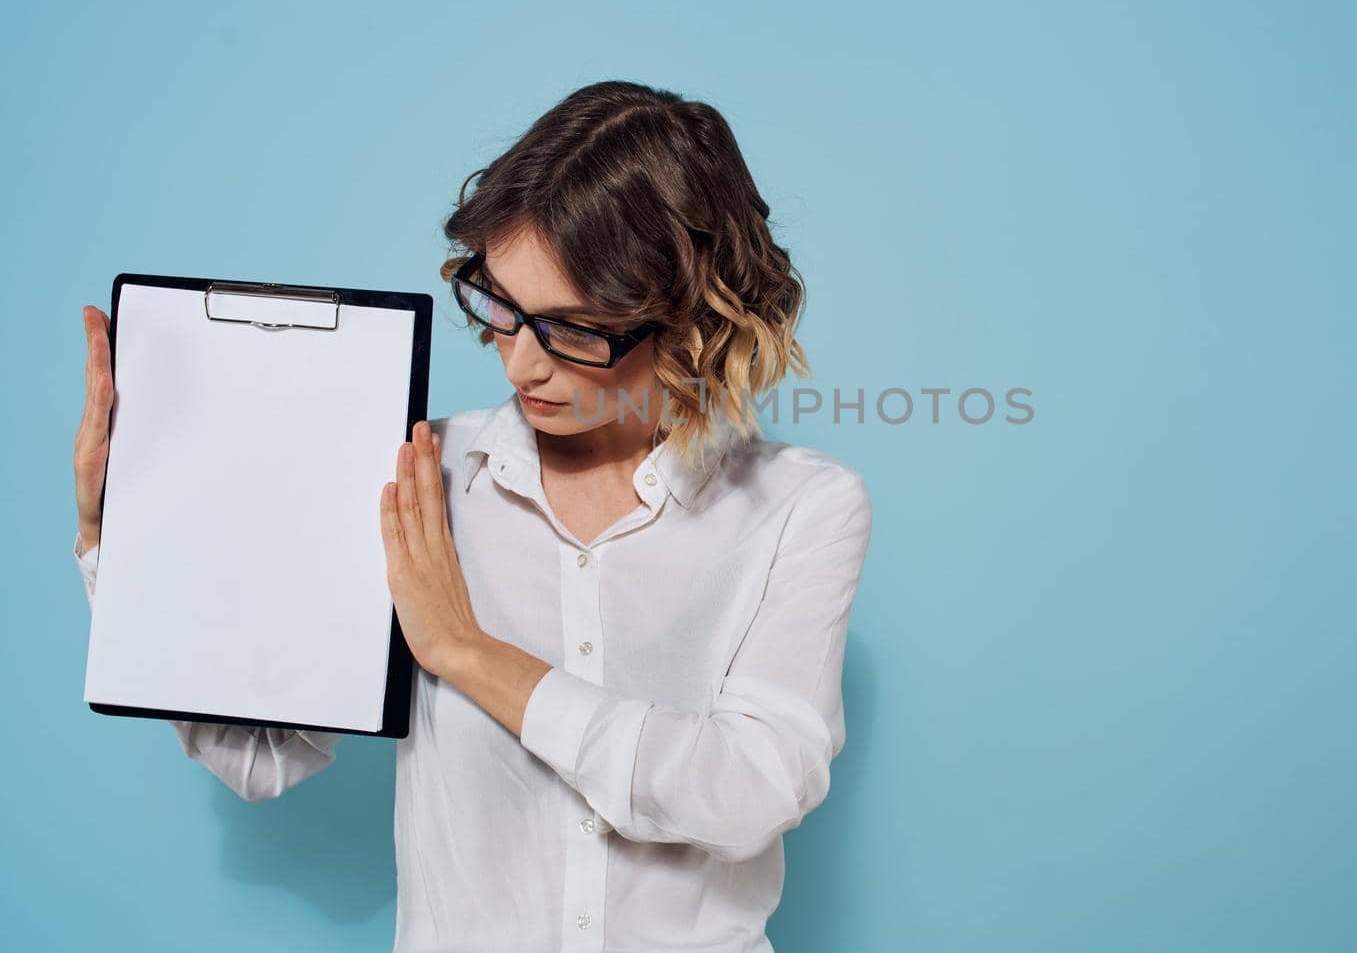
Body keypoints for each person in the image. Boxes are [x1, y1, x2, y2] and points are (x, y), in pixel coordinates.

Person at [70, 80, 873, 953]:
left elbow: (747, 792)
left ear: (689, 323)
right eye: (499, 306)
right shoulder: (416, 478)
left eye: (570, 327)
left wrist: (466, 652)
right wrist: (125, 536)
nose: (521, 362)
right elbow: (263, 758)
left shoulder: (799, 507)